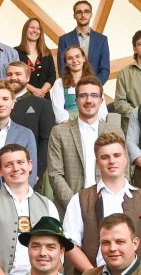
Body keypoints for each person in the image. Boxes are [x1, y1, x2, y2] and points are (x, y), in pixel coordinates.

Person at [63, 132, 141, 275]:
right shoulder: (81, 199)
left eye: (117, 155)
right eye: (105, 157)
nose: (112, 161)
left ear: (125, 159)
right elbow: (70, 244)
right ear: (97, 162)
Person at [0, 145, 58, 275]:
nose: (16, 168)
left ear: (30, 165)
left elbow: (57, 253)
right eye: (8, 165)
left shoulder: (48, 205)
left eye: (20, 162)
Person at [45, 77, 122, 208]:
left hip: (110, 206)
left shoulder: (115, 131)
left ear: (101, 101)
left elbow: (122, 171)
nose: (89, 100)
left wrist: (112, 201)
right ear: (76, 100)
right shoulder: (59, 132)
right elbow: (55, 174)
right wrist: (75, 205)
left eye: (94, 95)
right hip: (71, 206)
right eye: (83, 96)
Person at [5, 58, 57, 177]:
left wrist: (36, 173)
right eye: (9, 74)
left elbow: (47, 141)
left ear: (28, 78)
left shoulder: (43, 105)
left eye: (18, 74)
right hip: (0, 172)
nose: (13, 77)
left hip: (31, 172)